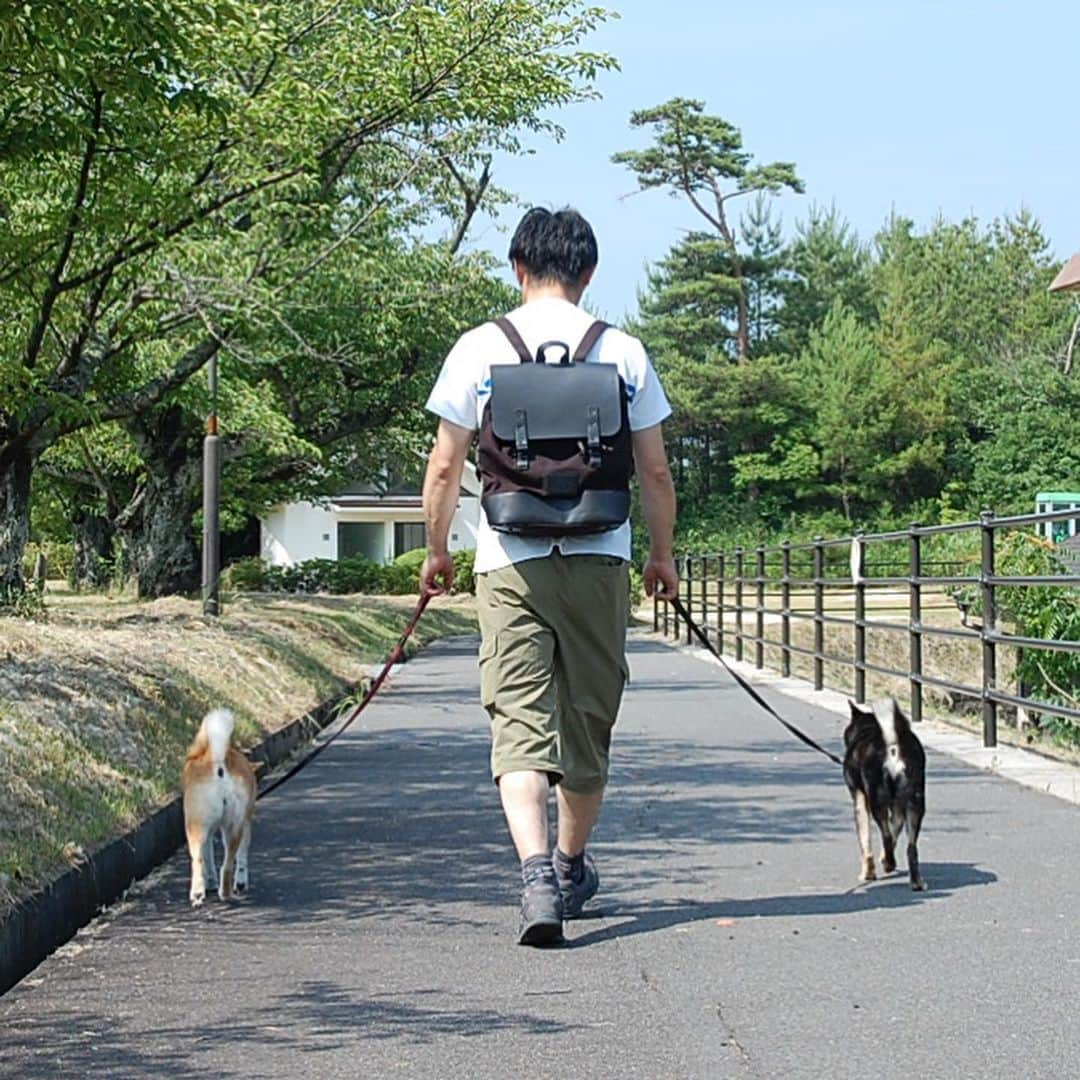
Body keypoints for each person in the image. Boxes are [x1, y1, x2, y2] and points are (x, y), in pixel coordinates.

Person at [420, 206, 678, 946]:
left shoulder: (478, 347)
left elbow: (445, 463)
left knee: (520, 722)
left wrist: (438, 550)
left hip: (509, 558)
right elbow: (655, 470)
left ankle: (534, 872)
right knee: (587, 724)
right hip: (601, 556)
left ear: (517, 268)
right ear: (589, 272)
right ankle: (569, 865)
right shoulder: (623, 351)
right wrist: (661, 555)